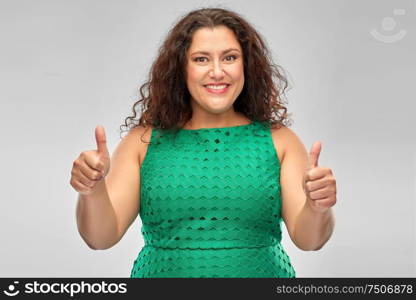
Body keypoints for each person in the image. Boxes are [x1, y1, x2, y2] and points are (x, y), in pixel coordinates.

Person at [70, 7, 337, 278]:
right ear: (181, 68)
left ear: (246, 65)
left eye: (230, 57)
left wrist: (318, 208)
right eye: (201, 59)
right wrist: (92, 189)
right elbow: (100, 238)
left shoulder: (280, 142)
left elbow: (310, 241)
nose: (217, 72)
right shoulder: (142, 142)